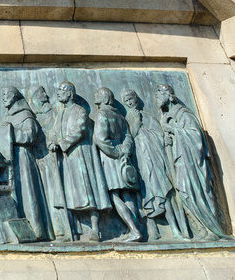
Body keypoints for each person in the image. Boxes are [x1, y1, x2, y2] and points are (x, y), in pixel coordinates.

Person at [155, 83, 227, 240]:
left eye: (160, 93)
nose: (157, 97)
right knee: (184, 193)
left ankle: (212, 229)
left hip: (192, 163)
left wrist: (172, 129)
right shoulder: (169, 116)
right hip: (180, 161)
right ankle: (202, 228)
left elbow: (195, 137)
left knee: (196, 192)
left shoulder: (184, 114)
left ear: (169, 95)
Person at [47, 81, 110, 242]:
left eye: (62, 90)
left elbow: (80, 130)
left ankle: (95, 230)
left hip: (80, 156)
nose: (58, 93)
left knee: (88, 192)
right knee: (67, 194)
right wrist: (52, 141)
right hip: (66, 159)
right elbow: (53, 131)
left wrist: (61, 144)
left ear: (70, 93)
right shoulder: (60, 114)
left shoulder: (80, 111)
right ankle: (71, 232)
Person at [122, 89, 183, 239]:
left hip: (155, 159)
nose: (130, 102)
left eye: (132, 99)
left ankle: (175, 229)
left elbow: (159, 134)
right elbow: (130, 136)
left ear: (136, 99)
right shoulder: (127, 118)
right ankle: (152, 232)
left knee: (164, 192)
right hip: (140, 162)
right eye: (127, 100)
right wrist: (136, 122)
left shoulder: (148, 116)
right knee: (144, 196)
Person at [92, 88, 141, 242]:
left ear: (105, 98)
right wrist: (125, 151)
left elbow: (100, 139)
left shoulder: (102, 114)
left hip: (111, 160)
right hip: (123, 160)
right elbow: (128, 137)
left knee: (114, 195)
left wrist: (116, 153)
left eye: (98, 94)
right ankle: (133, 228)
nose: (95, 95)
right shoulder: (120, 116)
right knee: (126, 194)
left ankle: (134, 230)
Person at [0, 87, 47, 239]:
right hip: (8, 159)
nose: (4, 97)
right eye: (3, 95)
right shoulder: (6, 117)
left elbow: (30, 136)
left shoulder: (26, 115)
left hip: (22, 158)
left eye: (6, 94)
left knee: (27, 192)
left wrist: (10, 134)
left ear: (14, 96)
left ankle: (36, 230)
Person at [29, 86, 71, 241]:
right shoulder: (32, 115)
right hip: (37, 160)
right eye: (41, 93)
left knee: (56, 195)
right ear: (33, 97)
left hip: (52, 159)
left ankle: (62, 230)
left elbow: (57, 132)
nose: (46, 96)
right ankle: (47, 231)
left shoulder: (53, 113)